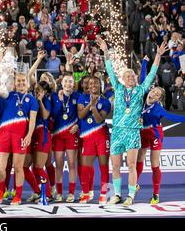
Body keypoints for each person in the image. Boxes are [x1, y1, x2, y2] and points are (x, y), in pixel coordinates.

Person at [96, 36, 168, 206]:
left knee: (131, 165)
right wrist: (105, 51)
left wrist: (158, 56)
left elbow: (151, 74)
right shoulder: (118, 88)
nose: (131, 77)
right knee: (114, 166)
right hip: (118, 131)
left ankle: (130, 195)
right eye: (128, 75)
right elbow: (109, 69)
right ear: (123, 78)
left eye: (133, 76)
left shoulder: (141, 90)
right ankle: (117, 194)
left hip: (133, 132)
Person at [0, 68, 38, 205]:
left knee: (18, 167)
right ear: (15, 83)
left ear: (28, 84)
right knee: (0, 167)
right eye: (19, 81)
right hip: (4, 134)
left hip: (20, 135)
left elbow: (33, 119)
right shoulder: (9, 95)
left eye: (23, 81)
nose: (21, 83)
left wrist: (29, 135)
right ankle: (2, 190)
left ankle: (17, 195)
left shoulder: (32, 100)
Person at [136, 86, 185, 204]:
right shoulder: (143, 97)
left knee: (154, 164)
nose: (153, 94)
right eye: (153, 91)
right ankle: (134, 185)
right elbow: (143, 79)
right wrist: (143, 66)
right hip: (143, 132)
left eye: (157, 94)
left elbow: (172, 117)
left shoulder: (158, 108)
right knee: (139, 159)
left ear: (159, 99)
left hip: (155, 134)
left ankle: (156, 195)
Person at [77, 77, 111, 204]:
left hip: (102, 136)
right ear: (88, 86)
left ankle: (103, 194)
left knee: (103, 166)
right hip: (88, 137)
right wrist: (90, 105)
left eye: (96, 83)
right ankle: (85, 193)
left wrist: (94, 107)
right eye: (91, 83)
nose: (93, 85)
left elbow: (98, 120)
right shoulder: (82, 98)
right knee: (85, 167)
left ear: (100, 84)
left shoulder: (106, 101)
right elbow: (80, 115)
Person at [51, 73, 80, 203]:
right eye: (66, 81)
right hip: (57, 135)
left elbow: (83, 114)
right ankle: (59, 193)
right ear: (61, 83)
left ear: (73, 84)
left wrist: (78, 125)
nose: (68, 84)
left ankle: (71, 193)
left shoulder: (77, 96)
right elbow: (52, 115)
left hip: (71, 135)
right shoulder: (54, 96)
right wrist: (60, 102)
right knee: (59, 165)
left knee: (72, 164)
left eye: (70, 82)